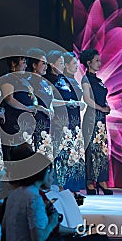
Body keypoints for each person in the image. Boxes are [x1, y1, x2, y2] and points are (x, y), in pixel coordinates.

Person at [2, 144, 60, 241]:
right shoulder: (33, 198)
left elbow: (4, 230)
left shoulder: (14, 194)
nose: (51, 176)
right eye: (49, 171)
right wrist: (52, 223)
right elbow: (39, 238)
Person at [80, 49, 112, 195]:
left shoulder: (99, 81)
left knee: (101, 149)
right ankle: (89, 181)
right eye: (96, 60)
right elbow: (87, 99)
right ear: (89, 62)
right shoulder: (86, 79)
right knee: (91, 149)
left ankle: (101, 180)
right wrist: (101, 108)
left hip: (101, 119)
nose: (99, 63)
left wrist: (106, 107)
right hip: (92, 117)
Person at [52, 51, 86, 192]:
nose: (77, 66)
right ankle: (62, 186)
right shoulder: (57, 81)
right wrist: (69, 103)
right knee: (63, 152)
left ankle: (74, 187)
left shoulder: (72, 81)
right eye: (73, 63)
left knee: (74, 152)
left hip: (75, 120)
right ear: (65, 65)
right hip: (62, 120)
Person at [0, 46, 38, 160]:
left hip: (26, 122)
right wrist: (28, 108)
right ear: (13, 63)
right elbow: (9, 99)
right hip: (14, 122)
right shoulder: (8, 79)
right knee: (15, 155)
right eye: (23, 62)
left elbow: (33, 97)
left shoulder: (24, 81)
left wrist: (34, 105)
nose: (26, 66)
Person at [26, 47, 55, 157]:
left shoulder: (45, 82)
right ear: (34, 65)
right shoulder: (28, 82)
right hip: (35, 121)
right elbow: (29, 102)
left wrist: (50, 109)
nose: (46, 67)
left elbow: (50, 100)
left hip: (48, 122)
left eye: (46, 64)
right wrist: (42, 109)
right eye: (43, 63)